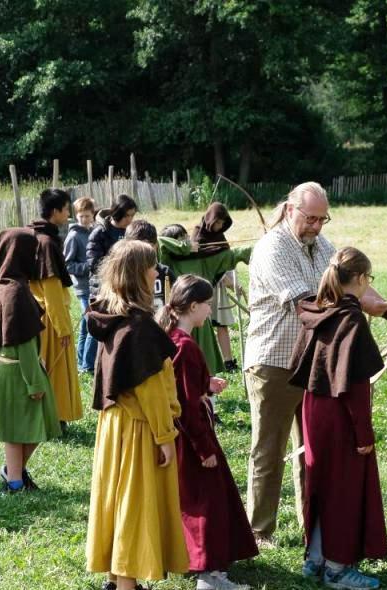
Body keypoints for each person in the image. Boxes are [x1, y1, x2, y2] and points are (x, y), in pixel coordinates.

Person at [243, 182, 387, 545]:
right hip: (274, 360)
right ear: (289, 210)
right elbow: (306, 304)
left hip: (314, 362)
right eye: (310, 218)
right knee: (269, 449)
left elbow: (353, 286)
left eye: (322, 219)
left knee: (311, 452)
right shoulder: (272, 248)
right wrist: (357, 307)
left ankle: (312, 527)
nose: (316, 226)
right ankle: (259, 530)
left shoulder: (323, 248)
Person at [289, 248, 387, 589]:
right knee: (344, 491)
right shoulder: (350, 320)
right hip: (341, 417)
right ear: (362, 280)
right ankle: (336, 569)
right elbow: (354, 387)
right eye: (369, 279)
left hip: (314, 408)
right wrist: (364, 435)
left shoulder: (317, 307)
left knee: (322, 483)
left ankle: (316, 559)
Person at [85, 240, 188, 590]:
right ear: (136, 275)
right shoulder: (140, 328)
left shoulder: (111, 316)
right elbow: (152, 390)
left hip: (114, 424)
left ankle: (116, 579)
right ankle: (127, 584)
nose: (157, 271)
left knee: (116, 500)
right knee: (133, 506)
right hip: (138, 426)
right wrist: (165, 435)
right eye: (151, 266)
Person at [158, 274, 257, 590]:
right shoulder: (185, 347)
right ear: (192, 306)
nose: (210, 311)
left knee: (196, 498)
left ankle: (197, 562)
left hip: (180, 438)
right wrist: (205, 449)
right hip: (192, 439)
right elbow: (186, 406)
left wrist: (205, 384)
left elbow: (179, 387)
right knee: (206, 503)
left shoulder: (171, 338)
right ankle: (210, 576)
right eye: (207, 305)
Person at [0, 227, 62, 493]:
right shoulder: (16, 292)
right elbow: (23, 342)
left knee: (23, 427)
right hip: (20, 372)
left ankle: (14, 473)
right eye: (33, 253)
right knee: (24, 428)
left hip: (10, 370)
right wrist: (34, 381)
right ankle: (14, 480)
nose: (37, 258)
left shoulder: (7, 284)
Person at [158, 224, 251, 376]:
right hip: (177, 319)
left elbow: (230, 256)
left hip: (200, 319)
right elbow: (160, 242)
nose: (189, 240)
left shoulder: (200, 259)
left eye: (187, 237)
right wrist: (185, 247)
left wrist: (255, 248)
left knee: (205, 367)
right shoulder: (167, 260)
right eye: (183, 239)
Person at [29, 189, 82, 431]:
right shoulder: (46, 242)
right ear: (54, 211)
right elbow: (50, 290)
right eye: (65, 208)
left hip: (42, 314)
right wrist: (63, 329)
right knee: (55, 370)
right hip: (48, 318)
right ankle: (54, 417)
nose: (68, 212)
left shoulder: (38, 235)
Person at [82, 194, 137, 373]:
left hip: (126, 285)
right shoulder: (101, 232)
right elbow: (94, 263)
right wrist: (116, 269)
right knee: (99, 324)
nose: (130, 219)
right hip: (103, 287)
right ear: (118, 213)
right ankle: (88, 365)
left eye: (132, 216)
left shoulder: (130, 232)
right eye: (127, 215)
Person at [190, 202, 239, 372]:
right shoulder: (197, 235)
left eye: (222, 223)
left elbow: (226, 261)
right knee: (201, 327)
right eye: (217, 222)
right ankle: (203, 363)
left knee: (222, 324)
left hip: (219, 286)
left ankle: (229, 361)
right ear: (210, 219)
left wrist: (233, 282)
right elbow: (197, 262)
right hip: (202, 287)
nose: (219, 226)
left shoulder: (219, 237)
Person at [64, 196, 96, 373]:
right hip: (83, 289)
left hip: (95, 287)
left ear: (93, 215)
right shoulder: (74, 236)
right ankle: (88, 366)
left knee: (85, 327)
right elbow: (67, 265)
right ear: (76, 216)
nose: (84, 219)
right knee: (92, 324)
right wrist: (88, 266)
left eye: (87, 216)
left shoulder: (94, 232)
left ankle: (80, 362)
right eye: (81, 216)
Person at [124, 219, 175, 310]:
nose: (145, 253)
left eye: (148, 247)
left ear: (156, 246)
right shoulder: (122, 276)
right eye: (139, 248)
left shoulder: (165, 273)